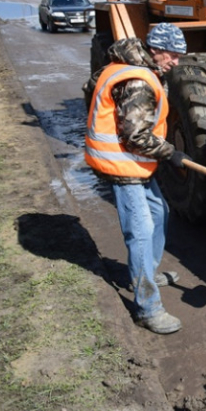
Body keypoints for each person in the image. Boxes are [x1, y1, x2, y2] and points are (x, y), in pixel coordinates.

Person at [84, 24, 190, 334]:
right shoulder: (137, 82)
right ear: (156, 50)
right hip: (121, 163)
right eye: (173, 55)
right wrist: (172, 153)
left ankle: (147, 271)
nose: (176, 62)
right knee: (141, 230)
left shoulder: (135, 67)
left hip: (136, 162)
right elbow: (134, 136)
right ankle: (147, 308)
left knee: (160, 212)